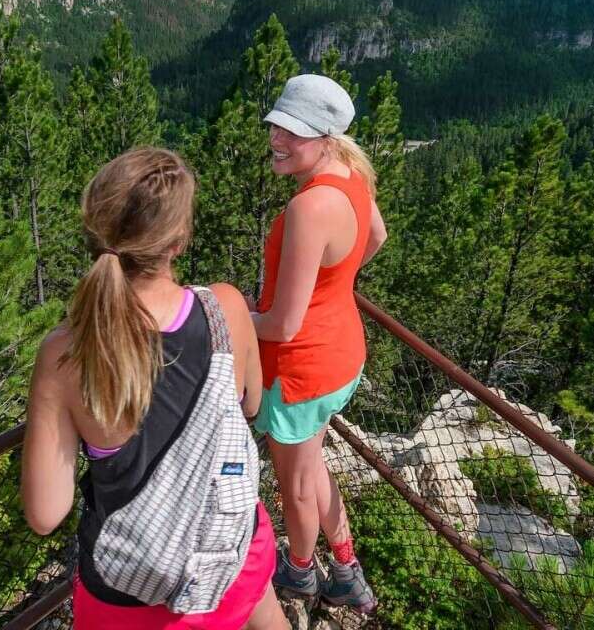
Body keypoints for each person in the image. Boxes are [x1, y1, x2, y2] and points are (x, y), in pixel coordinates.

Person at [21, 147, 288, 630]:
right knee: (261, 606)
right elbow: (250, 403)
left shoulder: (66, 355)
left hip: (127, 595)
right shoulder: (225, 309)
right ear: (178, 242)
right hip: (230, 555)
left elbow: (45, 513)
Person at [250, 74, 387, 614]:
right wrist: (334, 285)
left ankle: (302, 573)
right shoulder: (352, 173)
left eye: (295, 132)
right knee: (312, 465)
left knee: (296, 484)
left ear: (326, 136)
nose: (278, 139)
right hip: (342, 354)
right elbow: (375, 237)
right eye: (276, 125)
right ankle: (347, 566)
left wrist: (225, 312)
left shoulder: (309, 208)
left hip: (301, 371)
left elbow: (282, 325)